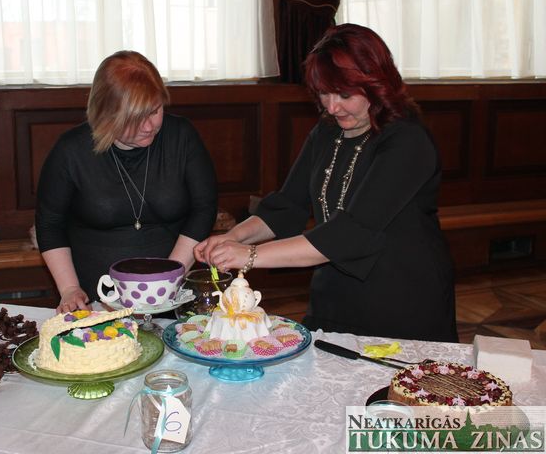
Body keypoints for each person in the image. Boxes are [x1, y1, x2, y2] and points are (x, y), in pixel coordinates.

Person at [194, 24, 458, 342]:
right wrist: (231, 238)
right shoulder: (327, 131)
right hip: (335, 293)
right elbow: (287, 206)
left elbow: (349, 233)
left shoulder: (407, 141)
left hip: (401, 297)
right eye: (323, 93)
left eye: (344, 94)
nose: (332, 107)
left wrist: (248, 255)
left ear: (376, 84)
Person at [36, 50, 218, 313]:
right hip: (98, 296)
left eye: (155, 111)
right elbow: (49, 224)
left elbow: (204, 208)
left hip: (175, 291)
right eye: (134, 118)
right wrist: (69, 289)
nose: (148, 126)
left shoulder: (182, 136)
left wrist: (167, 279)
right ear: (106, 114)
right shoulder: (71, 150)